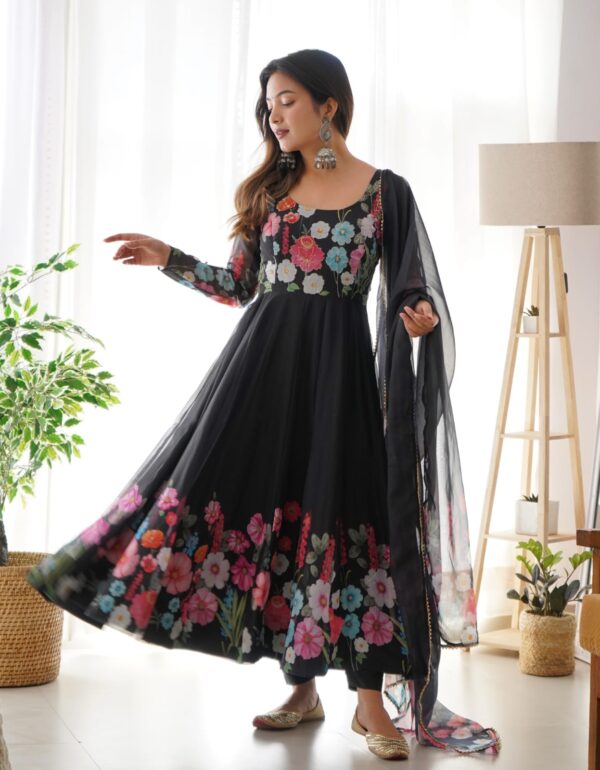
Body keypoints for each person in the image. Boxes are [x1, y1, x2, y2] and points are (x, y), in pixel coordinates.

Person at [26, 49, 500, 760]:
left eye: (287, 100)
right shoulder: (269, 195)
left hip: (341, 381)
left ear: (328, 105)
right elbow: (240, 286)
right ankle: (301, 691)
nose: (274, 116)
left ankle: (370, 704)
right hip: (260, 378)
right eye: (269, 104)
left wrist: (418, 313)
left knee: (352, 520)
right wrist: (169, 258)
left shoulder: (385, 194)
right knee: (252, 508)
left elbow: (409, 283)